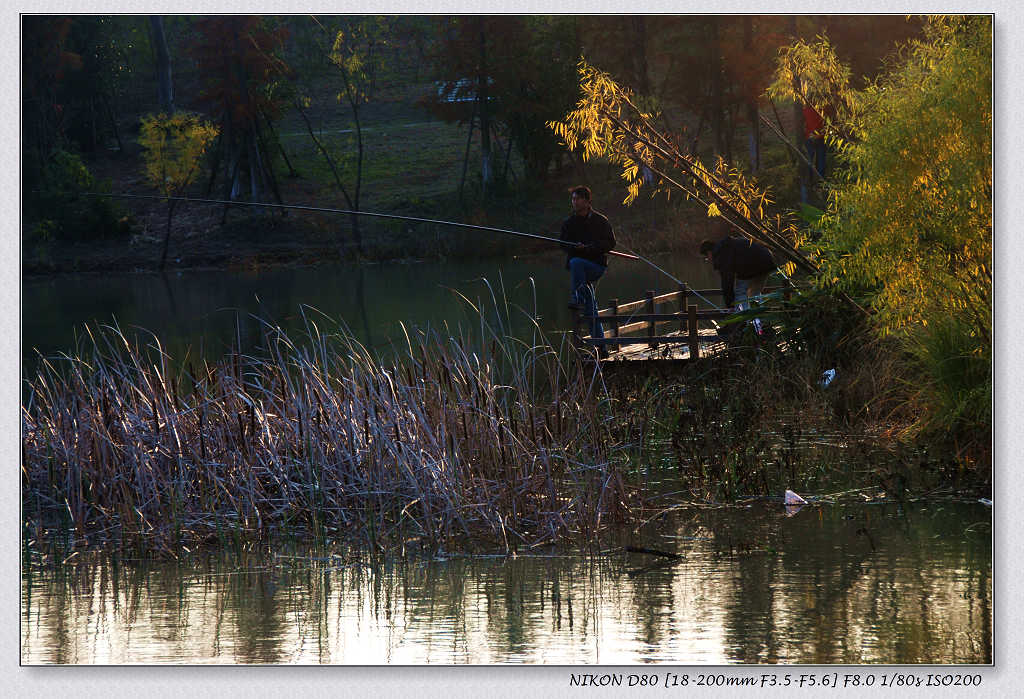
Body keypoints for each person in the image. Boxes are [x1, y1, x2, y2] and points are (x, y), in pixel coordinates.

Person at [559, 186, 616, 351]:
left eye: (577, 199)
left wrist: (590, 248)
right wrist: (575, 247)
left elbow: (610, 243)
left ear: (587, 201)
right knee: (590, 307)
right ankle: (601, 348)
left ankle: (577, 296)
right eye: (573, 199)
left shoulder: (600, 220)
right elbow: (562, 243)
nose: (574, 202)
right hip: (579, 273)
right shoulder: (569, 223)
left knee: (576, 262)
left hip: (596, 266)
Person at [700, 236, 775, 331]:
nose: (709, 260)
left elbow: (727, 281)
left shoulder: (722, 253)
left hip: (754, 265)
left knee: (740, 292)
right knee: (754, 294)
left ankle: (744, 325)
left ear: (709, 252)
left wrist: (730, 305)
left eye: (707, 258)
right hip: (766, 261)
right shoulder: (726, 246)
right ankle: (762, 324)